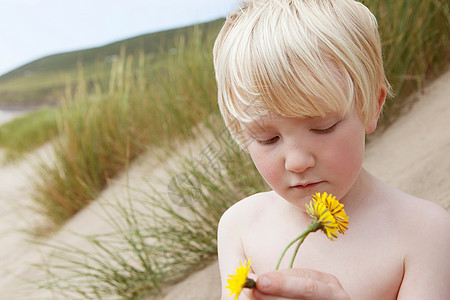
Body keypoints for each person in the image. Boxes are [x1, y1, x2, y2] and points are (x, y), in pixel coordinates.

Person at [212, 0, 450, 299]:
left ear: (371, 107)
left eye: (323, 127)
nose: (297, 162)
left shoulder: (423, 232)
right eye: (267, 139)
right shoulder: (241, 225)